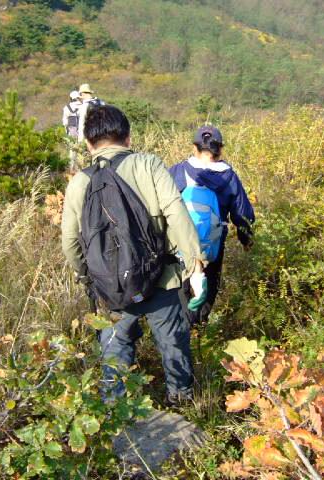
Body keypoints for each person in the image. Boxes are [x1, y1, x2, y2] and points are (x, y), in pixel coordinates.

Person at [61, 105, 207, 405]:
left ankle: (117, 412)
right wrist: (196, 267)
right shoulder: (148, 165)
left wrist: (88, 279)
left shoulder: (79, 183)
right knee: (173, 344)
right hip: (160, 279)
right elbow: (176, 213)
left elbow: (70, 242)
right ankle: (182, 403)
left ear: (88, 144)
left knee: (115, 352)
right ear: (128, 137)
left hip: (110, 289)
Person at [169, 126, 255, 326]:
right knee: (210, 282)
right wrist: (246, 239)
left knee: (182, 284)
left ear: (194, 147)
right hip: (213, 242)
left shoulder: (178, 172)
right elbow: (242, 213)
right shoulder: (229, 177)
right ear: (220, 149)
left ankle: (185, 325)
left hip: (181, 242)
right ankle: (200, 323)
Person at [62, 90, 83, 170]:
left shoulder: (66, 107)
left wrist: (67, 131)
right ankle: (81, 168)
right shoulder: (83, 106)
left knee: (72, 150)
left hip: (71, 129)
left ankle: (71, 168)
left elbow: (65, 122)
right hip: (81, 129)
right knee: (81, 148)